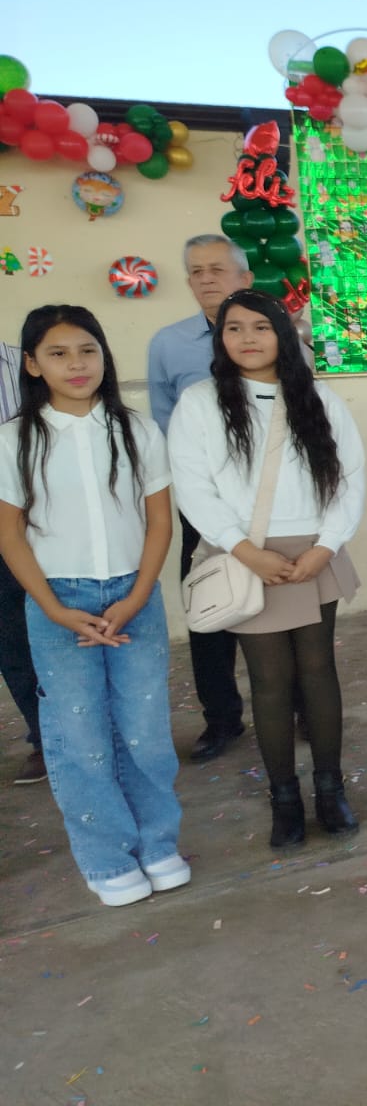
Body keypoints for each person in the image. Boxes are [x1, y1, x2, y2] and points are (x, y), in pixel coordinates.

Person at [0, 305, 188, 907]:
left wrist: (136, 597)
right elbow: (9, 534)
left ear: (104, 356)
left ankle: (158, 843)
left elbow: (159, 522)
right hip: (60, 600)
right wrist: (53, 608)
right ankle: (106, 858)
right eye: (57, 354)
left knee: (145, 731)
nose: (76, 364)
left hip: (134, 595)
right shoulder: (14, 438)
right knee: (78, 736)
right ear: (32, 364)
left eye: (87, 350)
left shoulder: (137, 431)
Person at [167, 290, 366, 851]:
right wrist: (243, 550)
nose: (248, 338)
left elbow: (349, 476)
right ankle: (284, 798)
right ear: (219, 337)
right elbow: (193, 486)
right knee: (271, 682)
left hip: (313, 552)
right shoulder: (200, 403)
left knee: (319, 670)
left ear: (282, 333)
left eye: (261, 326)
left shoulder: (319, 398)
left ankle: (330, 789)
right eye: (234, 328)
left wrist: (326, 546)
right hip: (246, 554)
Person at [147, 235, 253, 763]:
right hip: (202, 503)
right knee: (209, 605)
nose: (206, 279)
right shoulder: (168, 344)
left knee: (283, 606)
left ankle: (298, 706)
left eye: (216, 269)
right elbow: (166, 428)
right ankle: (222, 718)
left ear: (244, 278)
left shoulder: (276, 336)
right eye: (195, 271)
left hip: (270, 501)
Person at [0, 335, 45, 785]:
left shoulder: (26, 361)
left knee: (60, 624)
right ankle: (43, 737)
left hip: (38, 522)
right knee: (10, 638)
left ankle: (88, 727)